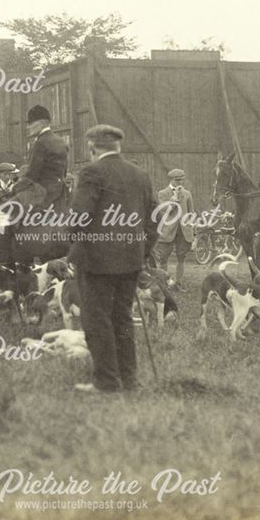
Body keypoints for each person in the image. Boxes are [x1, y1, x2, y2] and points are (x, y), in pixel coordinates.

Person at [69, 124, 157, 394]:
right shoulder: (140, 174)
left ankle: (106, 382)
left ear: (92, 147)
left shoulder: (92, 172)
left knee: (97, 320)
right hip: (130, 261)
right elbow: (153, 220)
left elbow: (78, 218)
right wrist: (140, 253)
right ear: (118, 146)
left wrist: (71, 244)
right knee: (122, 319)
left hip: (97, 262)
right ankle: (129, 380)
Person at [9, 105, 69, 208]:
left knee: (6, 210)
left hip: (42, 196)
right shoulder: (61, 141)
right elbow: (64, 172)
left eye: (31, 123)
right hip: (60, 194)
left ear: (42, 123)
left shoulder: (40, 143)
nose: (28, 127)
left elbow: (31, 175)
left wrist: (14, 188)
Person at [153, 168, 195, 289]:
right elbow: (163, 210)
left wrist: (194, 232)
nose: (180, 182)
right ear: (171, 179)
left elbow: (191, 212)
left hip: (183, 231)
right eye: (177, 180)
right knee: (163, 259)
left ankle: (178, 283)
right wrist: (173, 199)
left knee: (181, 258)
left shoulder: (187, 194)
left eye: (182, 180)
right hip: (167, 231)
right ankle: (164, 284)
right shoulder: (162, 193)